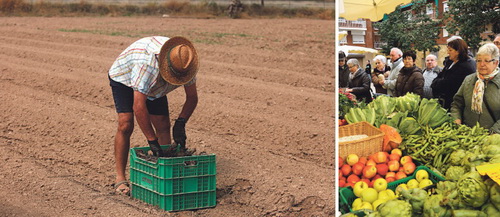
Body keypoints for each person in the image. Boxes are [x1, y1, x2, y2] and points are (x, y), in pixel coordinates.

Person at [108, 36, 199, 195]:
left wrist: (181, 123)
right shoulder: (147, 65)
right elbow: (138, 106)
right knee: (126, 124)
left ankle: (163, 175)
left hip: (153, 85)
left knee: (163, 124)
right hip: (124, 77)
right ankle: (120, 178)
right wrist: (152, 140)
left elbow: (192, 97)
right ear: (165, 68)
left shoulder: (185, 62)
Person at [451, 43, 500, 133]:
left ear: (496, 63)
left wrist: (493, 133)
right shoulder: (469, 80)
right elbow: (457, 103)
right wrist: (456, 120)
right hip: (468, 136)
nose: (482, 64)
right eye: (478, 60)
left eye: (486, 61)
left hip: (494, 139)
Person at [431, 36, 476, 110]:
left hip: (457, 107)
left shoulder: (466, 67)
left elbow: (447, 85)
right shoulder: (450, 63)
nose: (448, 53)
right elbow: (438, 79)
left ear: (458, 51)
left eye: (450, 50)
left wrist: (439, 82)